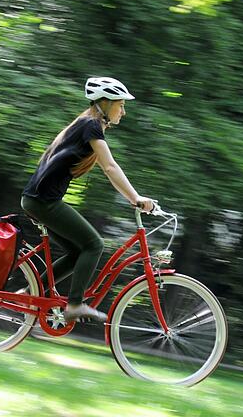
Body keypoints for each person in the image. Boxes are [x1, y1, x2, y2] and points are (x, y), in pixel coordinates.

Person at [21, 77, 155, 322]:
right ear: (104, 103)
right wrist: (135, 197)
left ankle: (31, 292)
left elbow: (110, 170)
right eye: (120, 105)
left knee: (78, 251)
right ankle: (74, 305)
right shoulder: (90, 126)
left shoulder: (86, 124)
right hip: (43, 201)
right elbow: (110, 167)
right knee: (94, 244)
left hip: (37, 199)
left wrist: (130, 197)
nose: (123, 112)